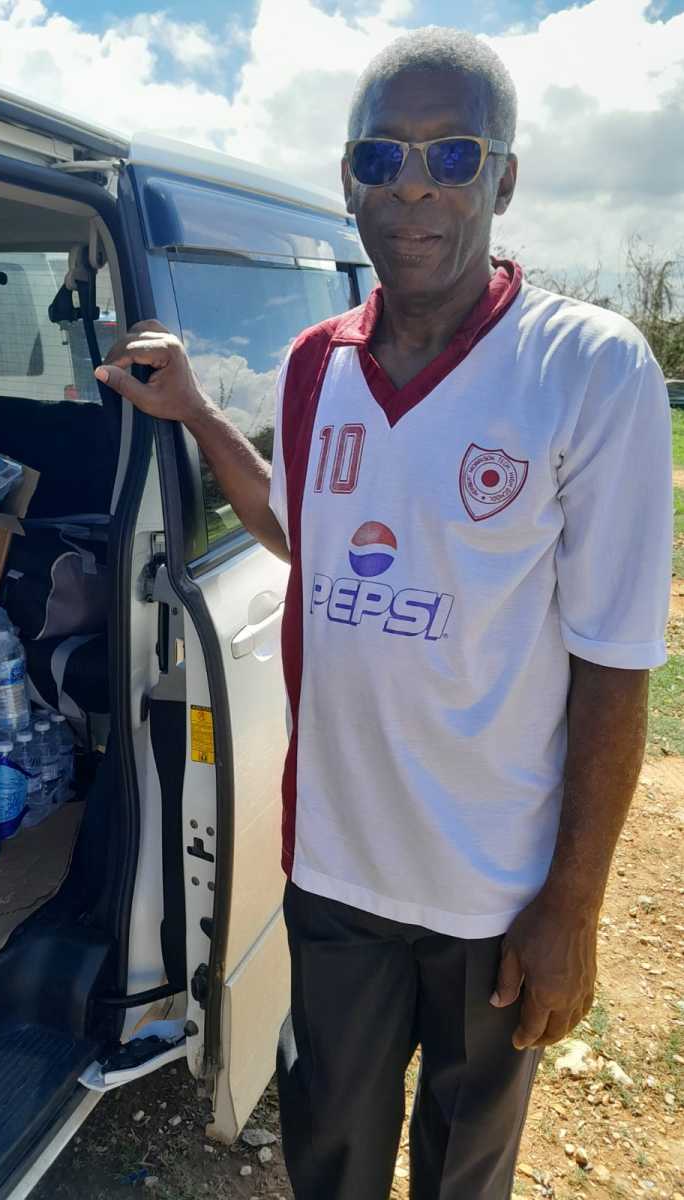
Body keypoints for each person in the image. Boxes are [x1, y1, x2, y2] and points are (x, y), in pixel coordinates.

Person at [95, 27, 672, 1200]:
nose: (414, 188)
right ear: (348, 178)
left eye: (453, 155)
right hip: (337, 874)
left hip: (492, 891)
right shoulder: (317, 365)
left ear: (504, 177)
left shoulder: (589, 368)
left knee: (465, 1171)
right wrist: (200, 414)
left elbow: (615, 665)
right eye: (382, 157)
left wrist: (571, 905)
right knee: (331, 1154)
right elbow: (298, 530)